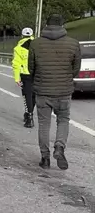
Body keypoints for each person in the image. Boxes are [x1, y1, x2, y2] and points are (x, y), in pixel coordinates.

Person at [28, 14, 81, 170]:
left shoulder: (35, 44)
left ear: (46, 25)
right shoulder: (73, 43)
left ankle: (45, 158)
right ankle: (59, 146)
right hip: (64, 92)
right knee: (63, 120)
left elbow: (31, 68)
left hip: (42, 91)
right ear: (62, 25)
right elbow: (76, 70)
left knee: (44, 125)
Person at [12, 27, 35, 128]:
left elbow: (16, 64)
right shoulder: (38, 45)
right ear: (32, 35)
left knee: (27, 95)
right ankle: (29, 113)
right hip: (36, 74)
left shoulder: (18, 48)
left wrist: (17, 78)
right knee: (34, 95)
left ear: (22, 36)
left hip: (25, 75)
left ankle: (29, 117)